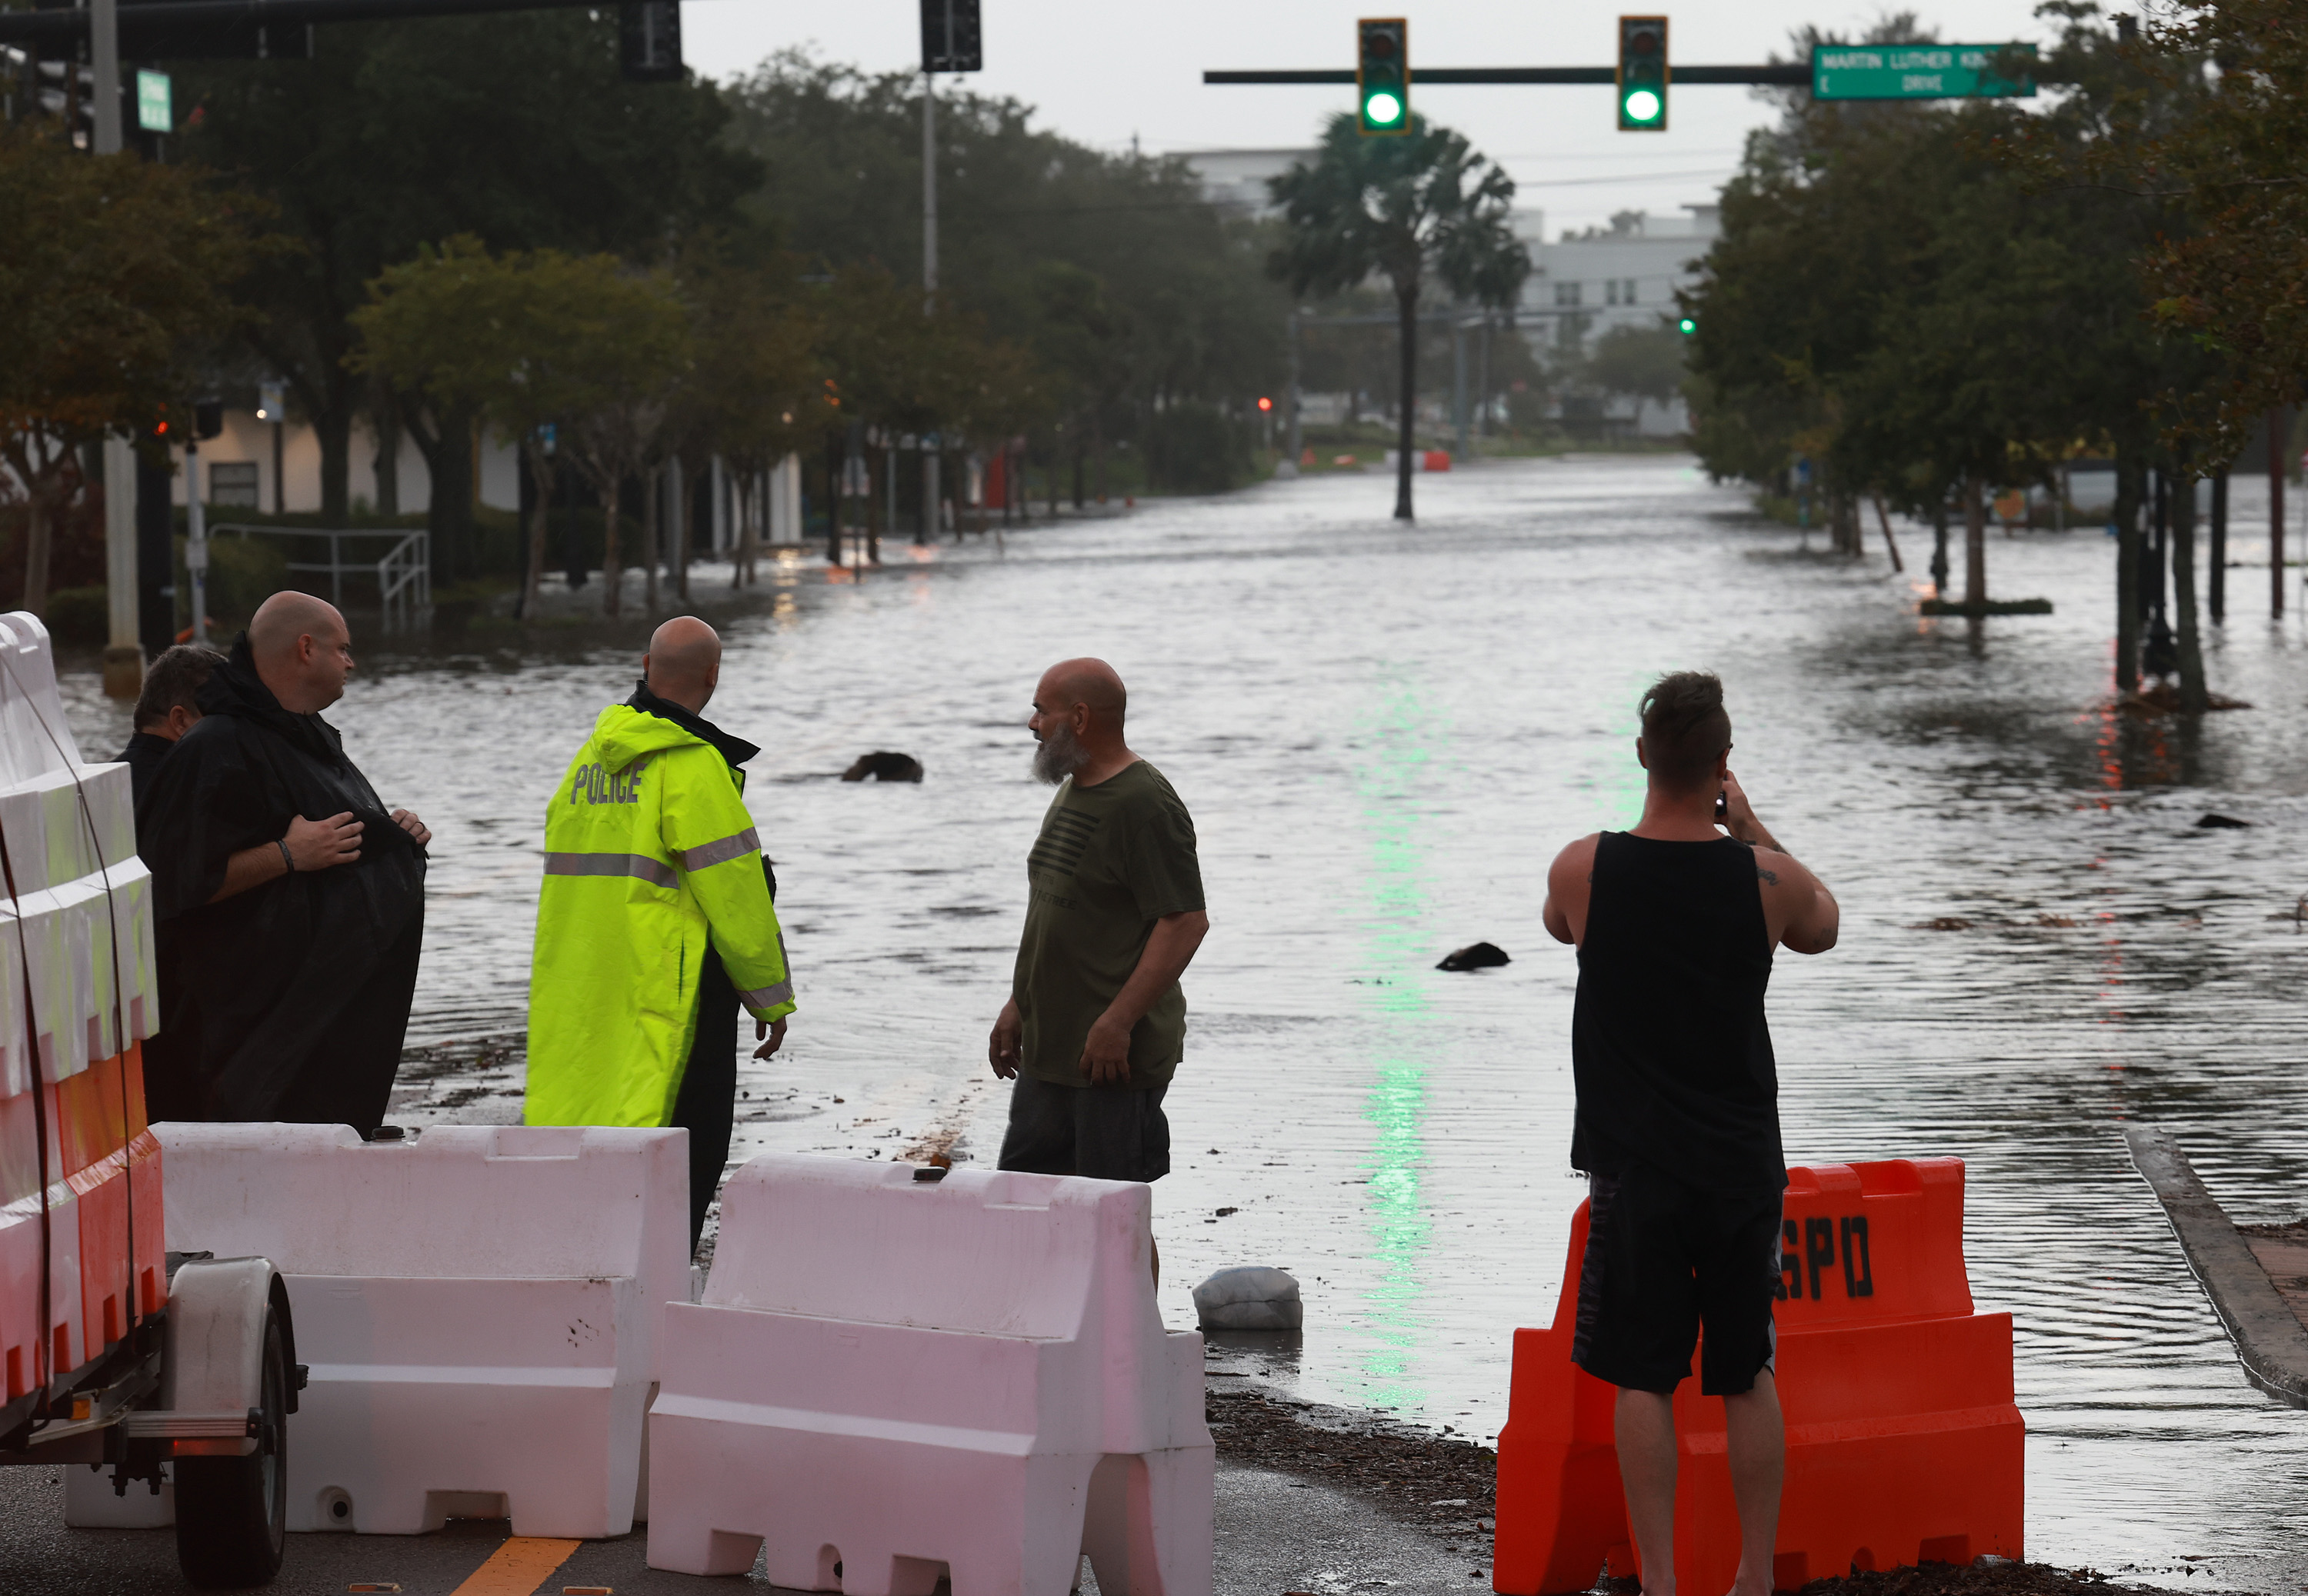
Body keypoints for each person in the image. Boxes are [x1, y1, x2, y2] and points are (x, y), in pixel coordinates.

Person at [1539, 671, 1839, 1596]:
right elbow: (1823, 926)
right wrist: (1746, 825)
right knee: (1745, 1364)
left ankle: (1663, 1581)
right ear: (1721, 764)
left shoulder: (1584, 865)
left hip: (1634, 1162)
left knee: (1643, 1372)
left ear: (1641, 755)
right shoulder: (1766, 879)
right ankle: (1752, 1576)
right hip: (1741, 1160)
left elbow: (1559, 928)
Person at [525, 617, 794, 1251]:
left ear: (645, 665)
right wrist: (771, 996)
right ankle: (654, 1306)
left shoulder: (587, 763)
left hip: (586, 990)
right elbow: (737, 897)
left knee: (593, 1156)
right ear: (713, 676)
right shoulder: (694, 768)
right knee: (680, 1168)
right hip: (673, 1001)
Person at [137, 592, 431, 1131]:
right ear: (305, 648)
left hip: (321, 1036)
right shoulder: (216, 745)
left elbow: (342, 832)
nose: (351, 661)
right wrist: (287, 855)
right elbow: (170, 883)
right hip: (239, 1039)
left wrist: (396, 832)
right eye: (341, 648)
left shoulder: (309, 738)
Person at [988, 658, 1208, 1258]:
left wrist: (1118, 1022)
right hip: (1051, 1051)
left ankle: (1129, 1350)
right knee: (1029, 1204)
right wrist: (1018, 1003)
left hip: (1110, 1060)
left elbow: (1185, 921)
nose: (1033, 723)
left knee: (1114, 1223)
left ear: (1079, 718)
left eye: (1042, 710)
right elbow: (1058, 912)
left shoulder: (1144, 803)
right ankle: (1051, 1342)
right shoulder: (1073, 791)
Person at [115, 644, 223, 809]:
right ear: (180, 720)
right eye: (221, 719)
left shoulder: (98, 785)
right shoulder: (196, 796)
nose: (230, 731)